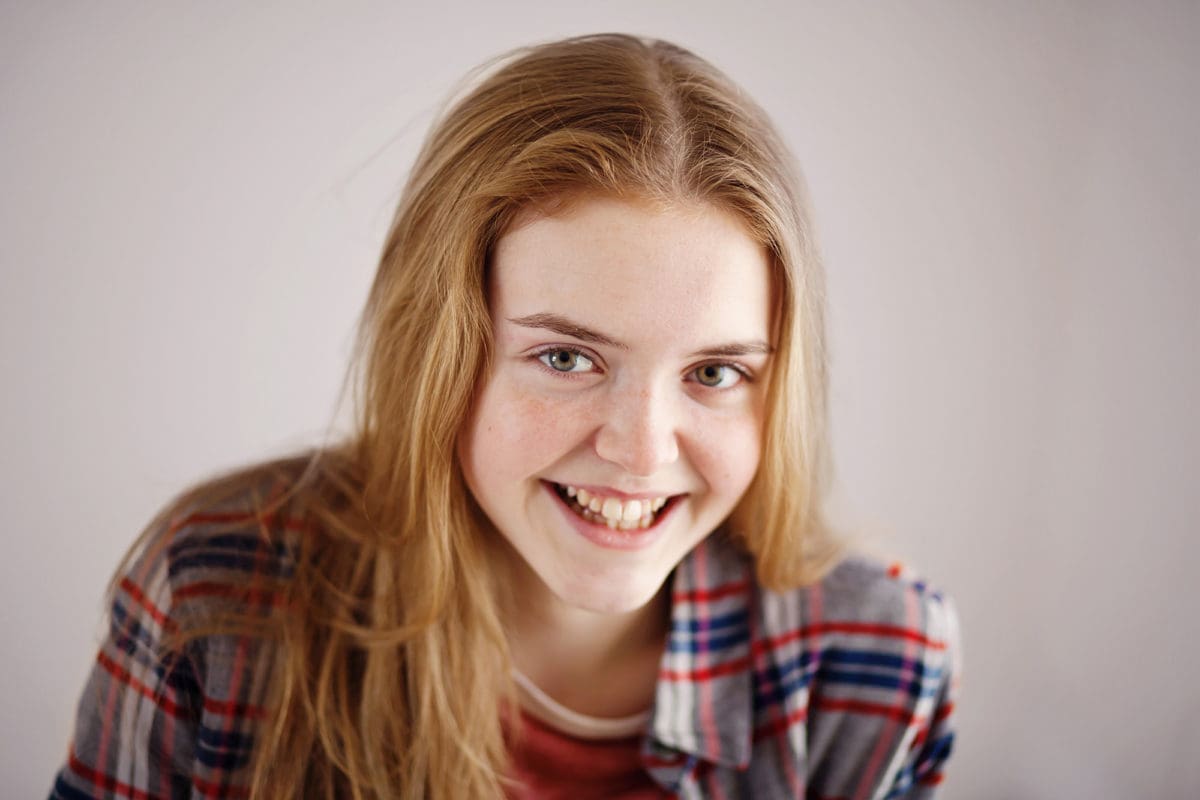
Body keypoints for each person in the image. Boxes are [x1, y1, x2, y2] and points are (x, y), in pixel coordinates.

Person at [49, 33, 959, 799]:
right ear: (439, 355)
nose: (641, 450)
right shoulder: (219, 599)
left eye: (716, 371)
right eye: (566, 358)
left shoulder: (874, 661)